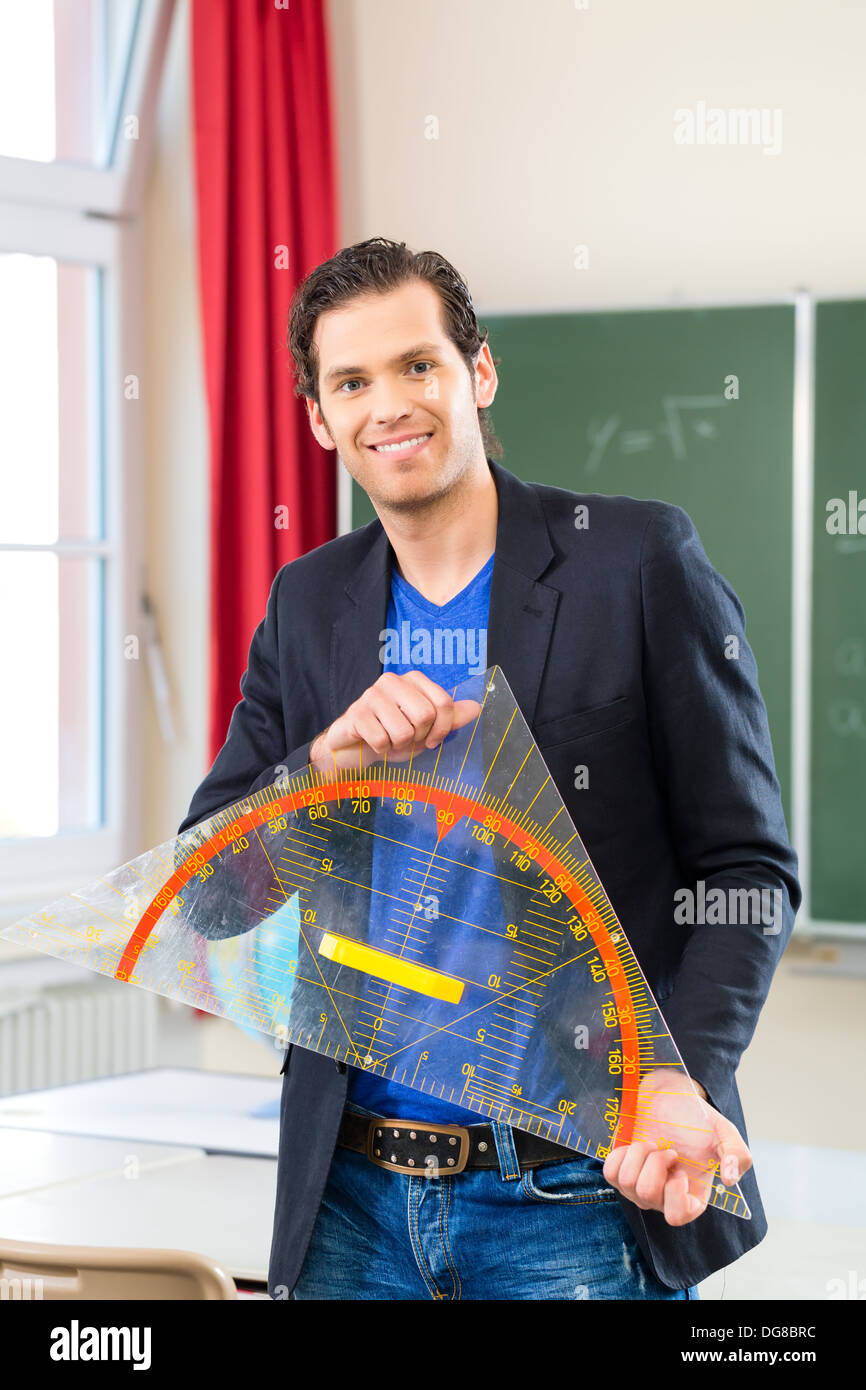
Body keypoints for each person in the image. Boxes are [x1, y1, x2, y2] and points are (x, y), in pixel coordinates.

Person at [177, 236, 801, 1300]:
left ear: (477, 373)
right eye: (351, 381)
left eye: (417, 365)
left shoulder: (635, 561)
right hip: (350, 1203)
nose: (390, 405)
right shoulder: (307, 601)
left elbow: (744, 867)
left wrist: (671, 1073)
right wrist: (322, 766)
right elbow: (211, 896)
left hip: (572, 1197)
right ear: (321, 420)